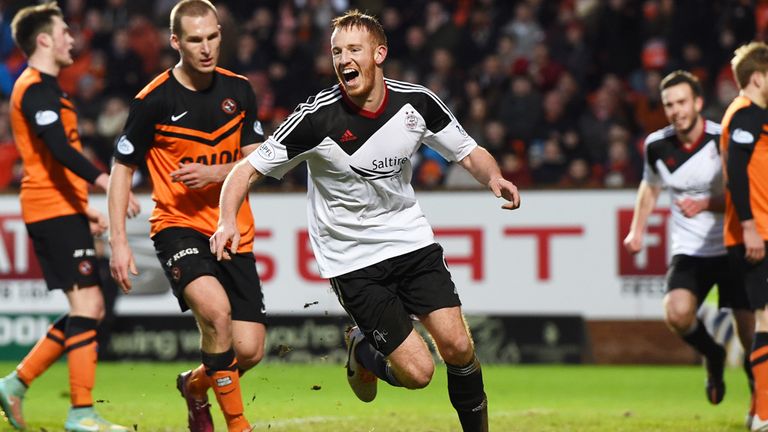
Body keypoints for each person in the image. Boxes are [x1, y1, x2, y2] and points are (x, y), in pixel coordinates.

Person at [211, 10, 520, 432]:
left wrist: (495, 177)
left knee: (459, 346)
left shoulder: (417, 103)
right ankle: (362, 351)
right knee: (418, 373)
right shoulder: (316, 117)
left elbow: (467, 150)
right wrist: (226, 220)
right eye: (336, 51)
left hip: (411, 242)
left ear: (379, 54)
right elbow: (244, 170)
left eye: (353, 49)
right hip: (352, 261)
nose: (342, 59)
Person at [107, 1, 266, 431]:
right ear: (176, 42)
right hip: (177, 227)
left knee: (248, 350)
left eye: (212, 36)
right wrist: (119, 242)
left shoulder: (240, 90)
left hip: (232, 229)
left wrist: (216, 172)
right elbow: (121, 170)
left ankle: (195, 385)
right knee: (216, 315)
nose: (206, 48)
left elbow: (258, 165)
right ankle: (237, 424)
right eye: (195, 40)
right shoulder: (153, 101)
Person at [0, 3, 139, 431]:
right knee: (90, 305)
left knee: (89, 309)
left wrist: (85, 211)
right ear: (43, 39)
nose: (72, 39)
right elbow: (59, 151)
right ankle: (79, 412)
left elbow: (53, 161)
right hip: (48, 208)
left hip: (62, 208)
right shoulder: (36, 87)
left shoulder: (52, 90)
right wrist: (104, 181)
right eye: (64, 32)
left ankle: (16, 385)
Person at [623, 70, 754, 408]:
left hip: (730, 245)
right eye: (669, 104)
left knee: (750, 330)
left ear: (697, 102)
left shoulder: (721, 138)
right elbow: (650, 186)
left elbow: (744, 192)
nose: (676, 110)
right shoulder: (657, 145)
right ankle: (713, 355)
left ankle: (759, 398)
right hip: (690, 251)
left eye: (682, 102)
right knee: (677, 314)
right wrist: (637, 229)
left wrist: (708, 203)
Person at [721, 41, 768, 432]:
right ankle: (765, 415)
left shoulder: (748, 115)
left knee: (763, 319)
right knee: (766, 319)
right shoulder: (747, 114)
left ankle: (757, 410)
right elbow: (735, 173)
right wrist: (751, 226)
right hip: (756, 232)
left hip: (756, 230)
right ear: (757, 77)